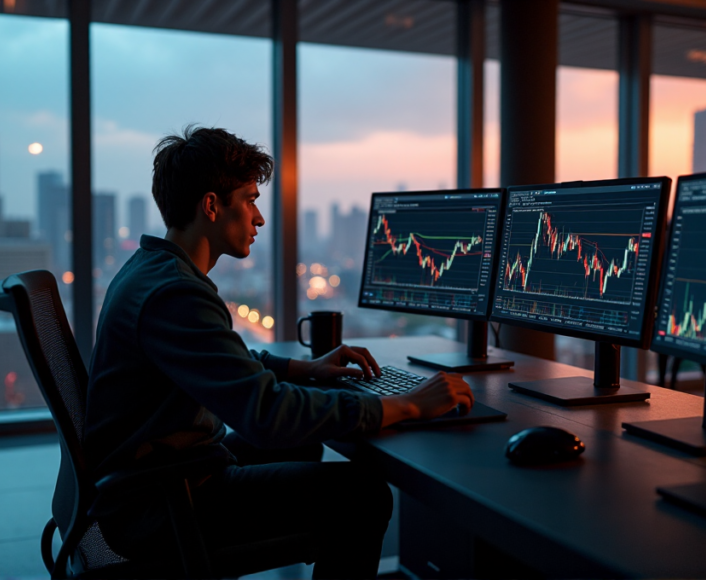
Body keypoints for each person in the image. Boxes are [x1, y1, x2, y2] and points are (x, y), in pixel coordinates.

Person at [85, 126, 474, 578]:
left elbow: (220, 362)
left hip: (160, 479)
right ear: (211, 206)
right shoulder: (175, 294)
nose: (259, 218)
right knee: (363, 495)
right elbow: (266, 414)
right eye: (249, 200)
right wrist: (406, 405)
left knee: (303, 440)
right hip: (162, 504)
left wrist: (304, 368)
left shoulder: (152, 270)